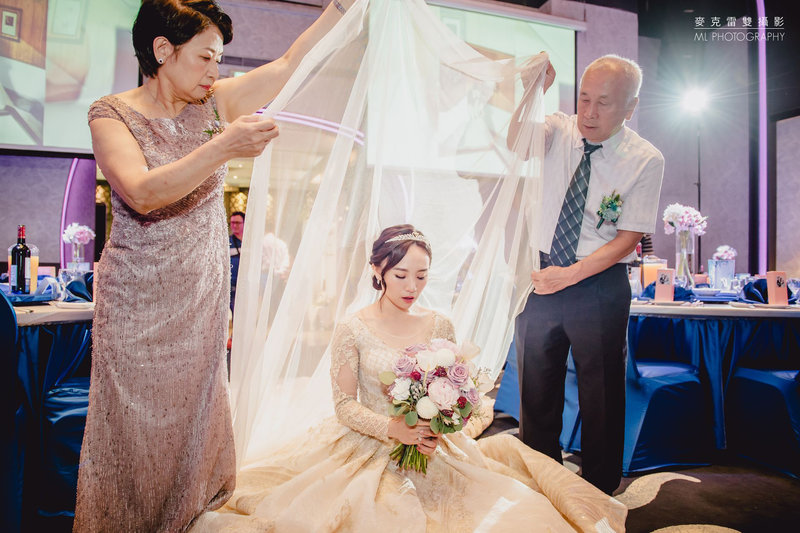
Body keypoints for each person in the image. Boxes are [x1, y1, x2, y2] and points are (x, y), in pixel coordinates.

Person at [74, 0, 355, 531]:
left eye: (219, 60)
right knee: (133, 426)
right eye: (205, 58)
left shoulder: (215, 101)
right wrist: (224, 146)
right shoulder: (110, 113)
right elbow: (141, 192)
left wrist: (341, 7)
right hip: (136, 300)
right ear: (163, 50)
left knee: (195, 418)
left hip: (200, 294)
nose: (215, 72)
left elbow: (290, 63)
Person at [190, 224, 626, 532]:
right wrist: (394, 428)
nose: (411, 286)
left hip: (434, 445)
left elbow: (462, 394)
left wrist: (445, 422)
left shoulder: (439, 325)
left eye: (421, 276)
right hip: (367, 443)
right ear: (378, 270)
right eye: (400, 275)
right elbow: (344, 406)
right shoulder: (353, 328)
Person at [509, 54, 664, 495]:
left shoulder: (645, 159)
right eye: (584, 98)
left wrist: (572, 274)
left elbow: (629, 236)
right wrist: (530, 91)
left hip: (597, 283)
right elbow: (515, 141)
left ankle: (598, 485)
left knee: (601, 390)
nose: (590, 113)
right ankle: (540, 475)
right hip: (541, 277)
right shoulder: (559, 129)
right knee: (535, 383)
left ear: (630, 108)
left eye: (604, 104)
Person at [229, 210, 245, 313]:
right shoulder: (227, 242)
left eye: (238, 223)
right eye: (233, 223)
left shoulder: (251, 241)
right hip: (233, 284)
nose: (235, 226)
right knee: (236, 312)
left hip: (247, 283)